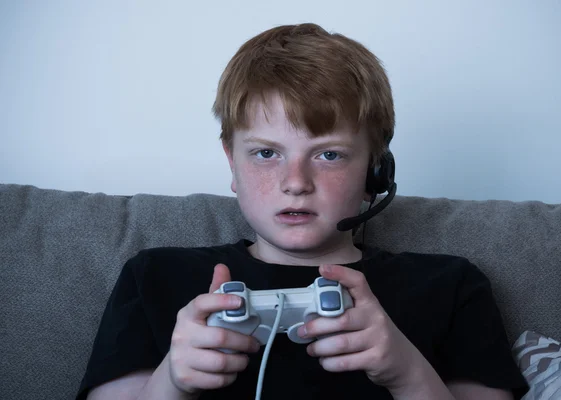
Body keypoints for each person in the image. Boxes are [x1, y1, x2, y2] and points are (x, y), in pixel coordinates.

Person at [77, 23, 528, 399]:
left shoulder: (451, 286)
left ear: (375, 173)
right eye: (266, 153)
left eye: (329, 155)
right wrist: (172, 380)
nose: (295, 182)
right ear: (231, 163)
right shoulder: (155, 276)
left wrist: (406, 370)